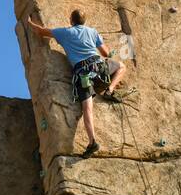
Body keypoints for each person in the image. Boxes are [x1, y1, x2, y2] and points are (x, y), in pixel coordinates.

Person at [24, 9, 127, 157]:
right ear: (84, 21)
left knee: (87, 109)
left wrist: (29, 22)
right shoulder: (92, 32)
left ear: (71, 20)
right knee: (122, 66)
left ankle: (92, 142)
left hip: (82, 74)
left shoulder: (66, 33)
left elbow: (41, 32)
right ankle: (110, 89)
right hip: (99, 66)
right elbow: (105, 53)